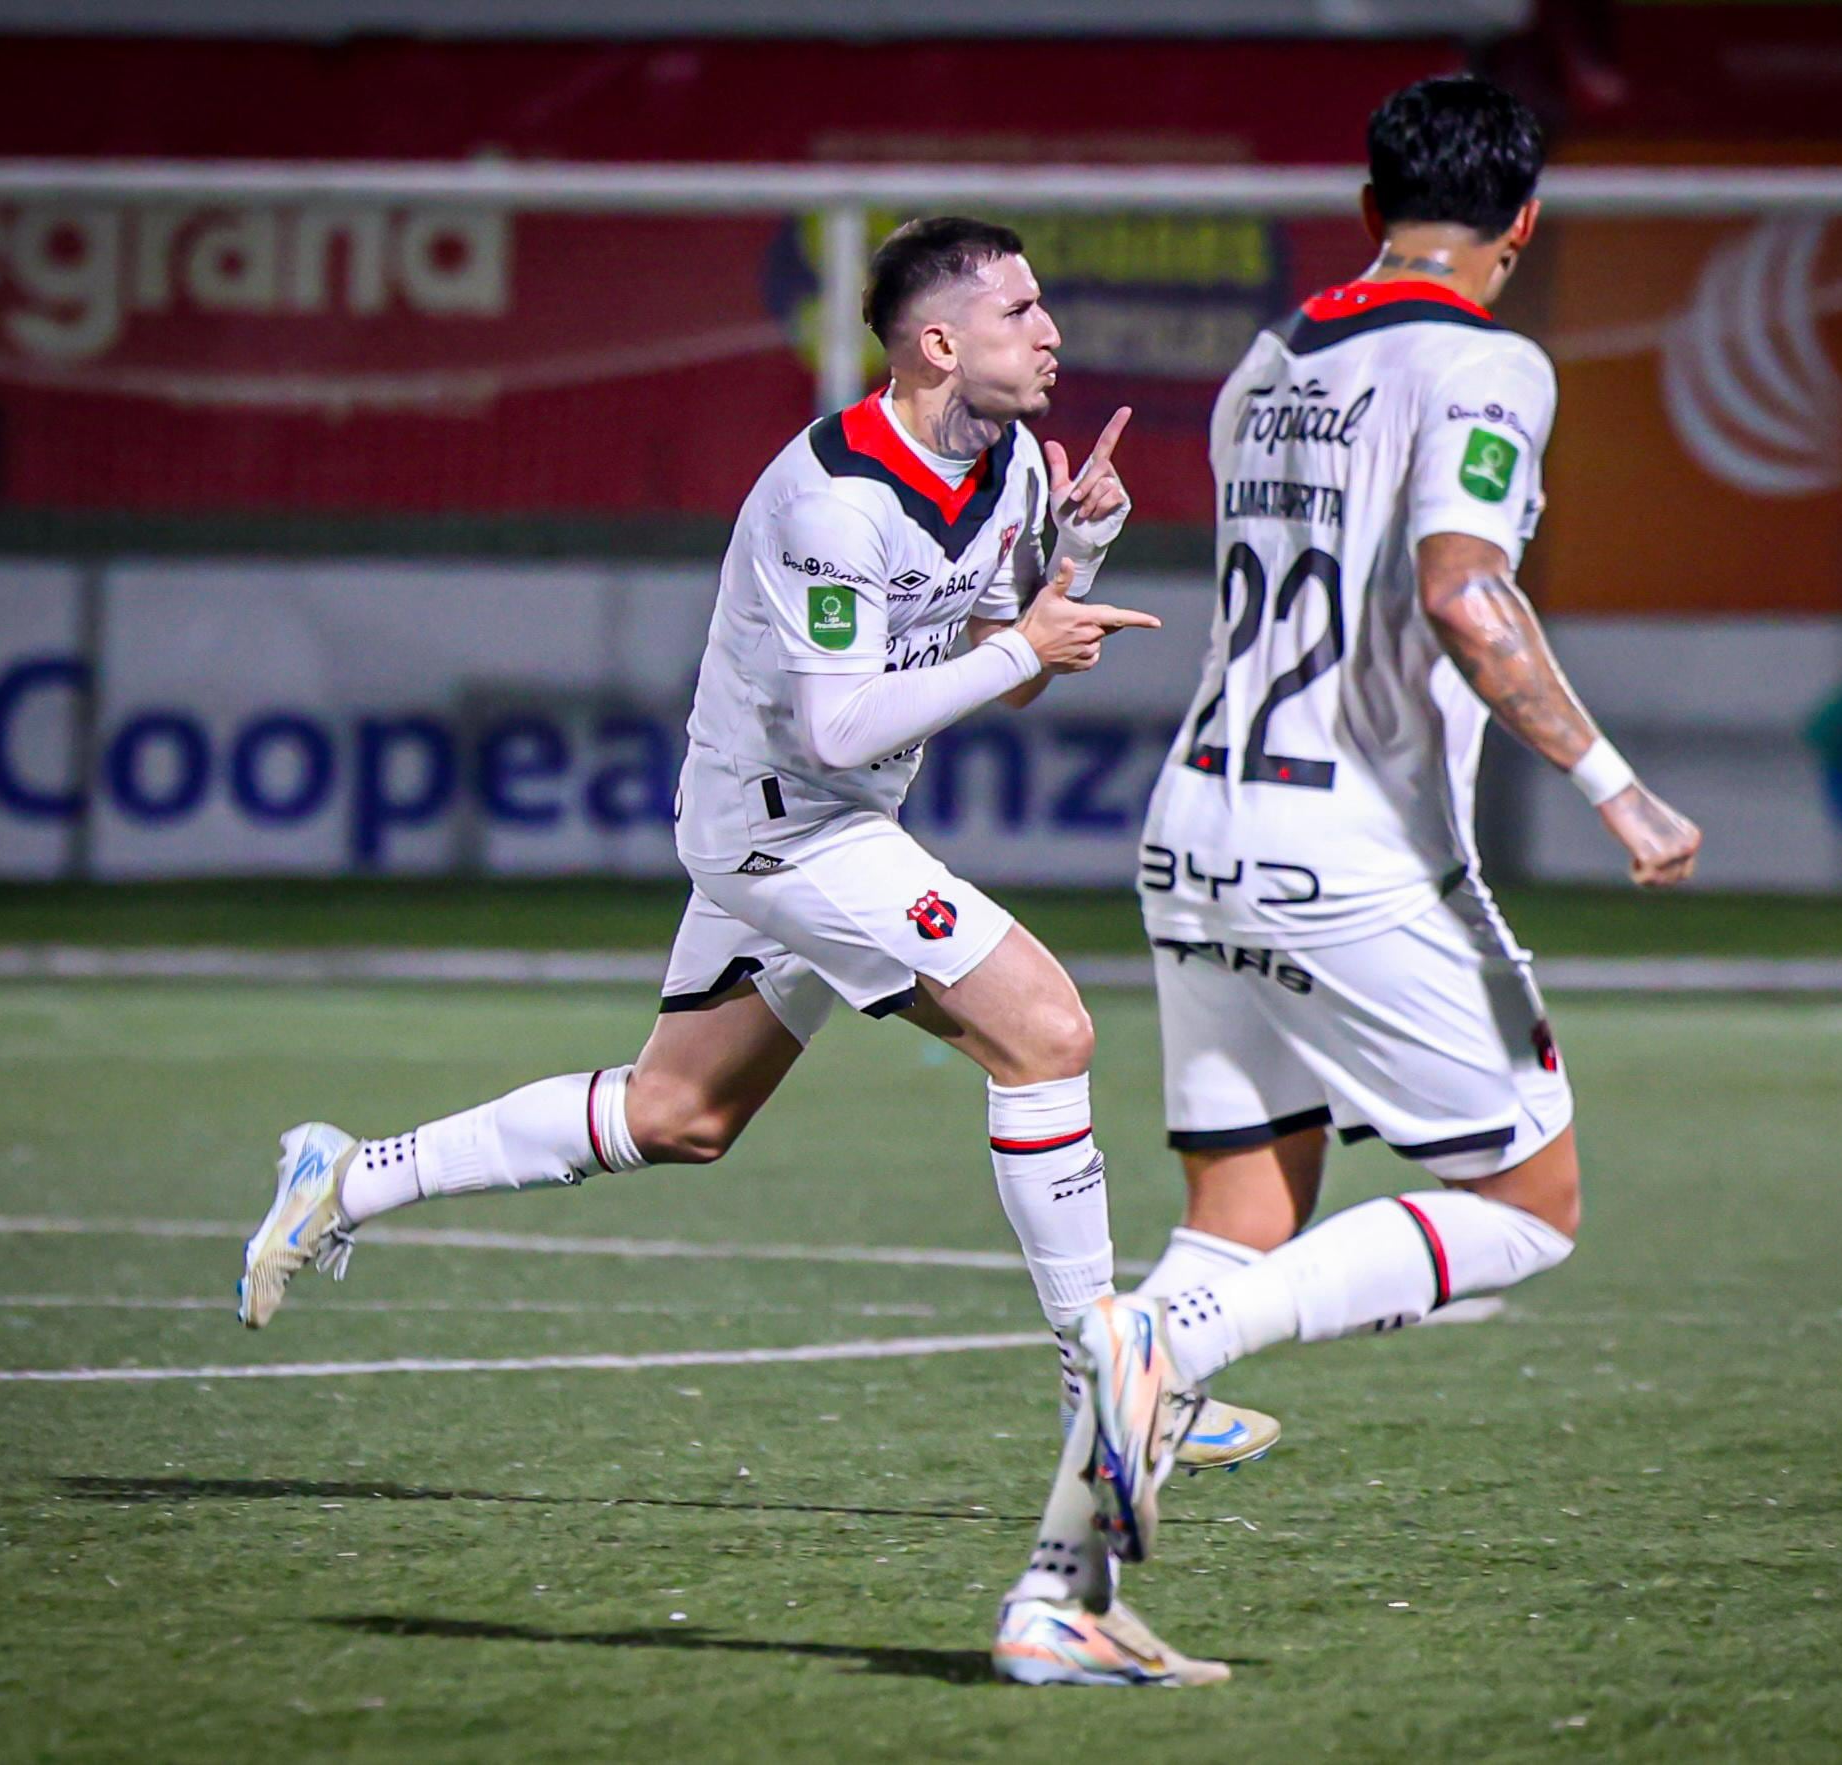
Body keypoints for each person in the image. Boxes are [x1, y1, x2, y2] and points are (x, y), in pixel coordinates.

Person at [234, 213, 1161, 1487]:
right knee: (1048, 1031)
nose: (1050, 332)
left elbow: (998, 674)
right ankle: (1109, 1389)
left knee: (678, 1114)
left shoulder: (1003, 468)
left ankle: (346, 1177)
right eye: (1019, 312)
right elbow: (839, 725)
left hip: (830, 825)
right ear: (938, 341)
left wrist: (1075, 560)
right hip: (786, 831)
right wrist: (1018, 649)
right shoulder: (829, 499)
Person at [1009, 74, 1705, 1673]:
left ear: (1365, 198)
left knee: (1240, 1212)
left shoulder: (1269, 363)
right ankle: (1163, 1342)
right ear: (1521, 224)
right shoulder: (1488, 361)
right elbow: (1463, 592)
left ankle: (1062, 1601)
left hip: (1197, 819)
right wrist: (1615, 788)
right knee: (1530, 1202)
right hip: (1353, 845)